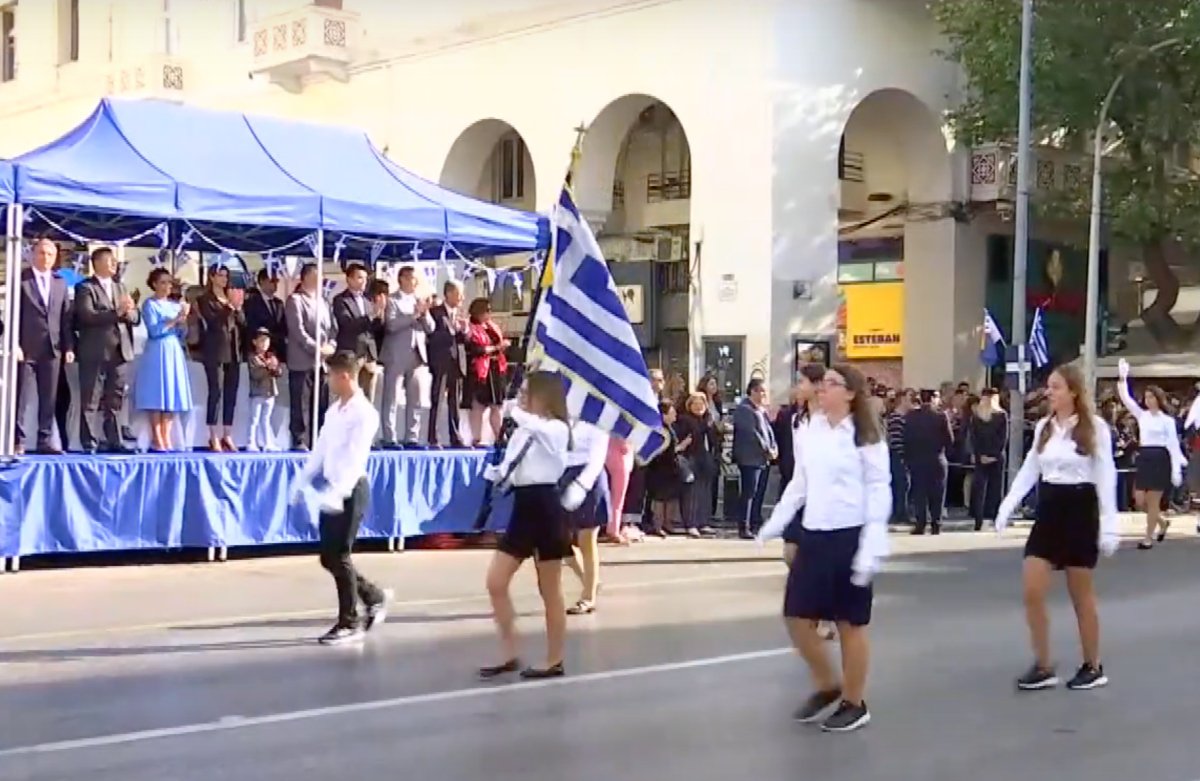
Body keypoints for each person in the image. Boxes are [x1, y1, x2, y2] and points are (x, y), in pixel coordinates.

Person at [756, 364, 891, 733]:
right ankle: (828, 683)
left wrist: (872, 544)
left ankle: (854, 701)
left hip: (849, 534)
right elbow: (800, 483)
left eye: (831, 384)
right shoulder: (812, 428)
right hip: (814, 533)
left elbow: (880, 487)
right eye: (823, 383)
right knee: (796, 615)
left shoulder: (864, 434)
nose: (822, 389)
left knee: (850, 623)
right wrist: (775, 523)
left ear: (849, 393)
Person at [994, 364, 1118, 692]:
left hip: (1080, 508)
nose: (1049, 392)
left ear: (1073, 391)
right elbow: (1030, 468)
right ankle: (1044, 664)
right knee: (1032, 589)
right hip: (1049, 509)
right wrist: (1008, 505)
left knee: (1081, 595)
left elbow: (1106, 475)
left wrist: (1109, 523)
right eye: (1049, 387)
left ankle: (1092, 664)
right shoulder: (1045, 428)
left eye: (1056, 387)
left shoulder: (1095, 428)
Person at [288, 351, 390, 646]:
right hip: (331, 487)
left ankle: (350, 620)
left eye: (331, 375)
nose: (328, 380)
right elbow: (320, 449)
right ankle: (374, 596)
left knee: (340, 555)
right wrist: (302, 479)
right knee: (328, 556)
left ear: (344, 376)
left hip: (351, 489)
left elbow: (356, 458)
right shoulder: (334, 411)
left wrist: (340, 492)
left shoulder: (364, 414)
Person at [479, 371, 572, 680]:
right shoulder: (524, 429)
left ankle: (554, 657)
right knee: (496, 581)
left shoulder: (556, 429)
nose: (520, 394)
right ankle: (509, 650)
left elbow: (541, 434)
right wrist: (496, 474)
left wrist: (514, 412)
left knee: (550, 589)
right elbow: (513, 466)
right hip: (523, 506)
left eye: (526, 390)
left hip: (546, 506)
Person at [759, 364, 836, 641]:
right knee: (791, 554)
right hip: (801, 492)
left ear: (817, 386)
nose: (797, 386)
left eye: (802, 381)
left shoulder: (834, 419)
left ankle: (826, 614)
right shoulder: (797, 419)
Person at [75, 247, 139, 454]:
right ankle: (89, 442)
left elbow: (135, 318)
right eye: (110, 261)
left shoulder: (121, 287)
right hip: (95, 350)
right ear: (98, 263)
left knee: (115, 399)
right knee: (91, 399)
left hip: (120, 351)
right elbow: (87, 316)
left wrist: (129, 312)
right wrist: (116, 312)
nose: (115, 264)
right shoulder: (85, 287)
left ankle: (115, 440)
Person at [1115, 358, 1184, 549]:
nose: (1148, 401)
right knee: (1139, 500)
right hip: (1145, 456)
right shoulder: (1142, 415)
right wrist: (1123, 378)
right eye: (1146, 397)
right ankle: (1161, 522)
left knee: (1153, 501)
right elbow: (1126, 400)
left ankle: (1148, 537)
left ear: (1158, 399)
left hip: (1160, 458)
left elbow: (1173, 444)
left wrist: (1176, 469)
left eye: (1152, 397)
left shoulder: (1167, 421)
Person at [15, 236, 74, 454]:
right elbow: (14, 313)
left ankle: (45, 440)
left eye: (50, 254)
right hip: (26, 347)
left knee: (49, 398)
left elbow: (65, 318)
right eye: (42, 253)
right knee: (22, 397)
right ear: (33, 254)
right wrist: (14, 343)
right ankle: (17, 439)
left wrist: (68, 347)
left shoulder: (59, 282)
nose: (46, 258)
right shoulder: (21, 280)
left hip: (53, 348)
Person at [134, 269, 194, 452]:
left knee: (171, 394)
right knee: (157, 393)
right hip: (157, 349)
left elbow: (182, 334)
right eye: (163, 282)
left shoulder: (175, 305)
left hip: (173, 348)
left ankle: (166, 436)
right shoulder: (149, 304)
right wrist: (175, 320)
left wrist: (184, 321)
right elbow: (154, 330)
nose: (167, 286)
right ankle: (157, 437)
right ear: (154, 284)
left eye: (169, 283)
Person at [562, 415, 611, 615]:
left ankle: (588, 597)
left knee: (586, 540)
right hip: (565, 474)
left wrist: (581, 486)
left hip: (588, 479)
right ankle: (589, 580)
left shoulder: (598, 421)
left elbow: (597, 459)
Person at [378, 266, 432, 448]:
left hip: (417, 354)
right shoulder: (392, 300)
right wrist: (413, 315)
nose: (414, 282)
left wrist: (424, 314)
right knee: (391, 397)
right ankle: (389, 436)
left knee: (415, 398)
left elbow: (431, 328)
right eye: (411, 278)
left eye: (416, 279)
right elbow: (391, 325)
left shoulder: (419, 300)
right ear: (402, 279)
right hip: (396, 354)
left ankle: (412, 436)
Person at [195, 264, 246, 452]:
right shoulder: (205, 299)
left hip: (234, 350)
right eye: (220, 275)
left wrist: (238, 308)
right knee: (215, 392)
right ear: (211, 277)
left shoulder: (231, 296)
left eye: (226, 276)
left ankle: (228, 433)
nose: (224, 279)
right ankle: (213, 435)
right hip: (215, 351)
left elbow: (242, 323)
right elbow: (213, 322)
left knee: (231, 393)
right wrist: (228, 307)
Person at [285, 264, 335, 451]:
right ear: (305, 277)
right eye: (315, 275)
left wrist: (331, 346)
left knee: (321, 402)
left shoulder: (323, 302)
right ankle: (300, 439)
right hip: (302, 360)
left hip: (321, 363)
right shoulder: (295, 300)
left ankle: (318, 440)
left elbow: (332, 329)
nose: (319, 280)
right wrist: (316, 348)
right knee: (301, 402)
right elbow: (298, 331)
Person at [731, 378, 778, 539]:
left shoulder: (761, 410)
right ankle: (744, 526)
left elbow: (768, 431)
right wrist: (767, 449)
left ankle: (755, 522)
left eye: (765, 391)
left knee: (759, 492)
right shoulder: (744, 409)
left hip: (763, 458)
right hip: (750, 457)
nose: (764, 394)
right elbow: (752, 433)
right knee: (749, 492)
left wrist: (774, 447)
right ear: (752, 391)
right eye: (761, 390)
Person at [426, 281, 469, 447]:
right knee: (437, 399)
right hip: (441, 360)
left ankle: (455, 436)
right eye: (459, 294)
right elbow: (433, 336)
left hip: (457, 362)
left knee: (454, 401)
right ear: (449, 293)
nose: (462, 298)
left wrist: (464, 330)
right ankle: (433, 436)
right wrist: (452, 330)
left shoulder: (460, 314)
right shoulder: (436, 312)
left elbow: (464, 340)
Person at [904, 390, 952, 535]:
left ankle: (920, 523)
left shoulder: (911, 416)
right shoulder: (940, 416)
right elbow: (950, 439)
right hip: (937, 458)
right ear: (932, 399)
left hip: (917, 460)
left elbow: (906, 439)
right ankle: (936, 524)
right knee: (938, 493)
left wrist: (909, 458)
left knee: (919, 493)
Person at [463, 297, 509, 445]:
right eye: (486, 310)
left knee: (496, 405)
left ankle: (499, 437)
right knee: (478, 406)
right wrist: (496, 348)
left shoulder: (491, 326)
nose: (489, 313)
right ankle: (476, 438)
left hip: (495, 370)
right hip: (480, 371)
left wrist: (502, 346)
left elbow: (498, 343)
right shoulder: (470, 327)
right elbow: (475, 349)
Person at [331, 263, 382, 397]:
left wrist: (380, 316)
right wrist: (371, 316)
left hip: (368, 353)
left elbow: (373, 328)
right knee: (349, 393)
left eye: (365, 278)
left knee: (368, 394)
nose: (364, 281)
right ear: (349, 279)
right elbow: (347, 324)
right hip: (352, 351)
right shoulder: (341, 300)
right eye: (360, 278)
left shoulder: (367, 299)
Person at [676, 392, 718, 538]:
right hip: (691, 457)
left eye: (702, 404)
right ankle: (691, 523)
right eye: (696, 404)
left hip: (705, 458)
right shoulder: (685, 420)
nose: (699, 407)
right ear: (690, 406)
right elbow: (683, 438)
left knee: (705, 492)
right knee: (691, 493)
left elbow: (714, 439)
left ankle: (703, 521)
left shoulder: (708, 420)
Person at [969, 388, 1008, 531]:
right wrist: (981, 455)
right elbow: (973, 438)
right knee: (980, 489)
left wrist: (990, 455)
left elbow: (1003, 438)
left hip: (994, 457)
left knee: (995, 489)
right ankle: (979, 519)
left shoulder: (1001, 415)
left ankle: (994, 518)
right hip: (985, 457)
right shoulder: (976, 416)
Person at [246, 328, 283, 452]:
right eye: (261, 341)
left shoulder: (271, 356)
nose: (264, 344)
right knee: (254, 419)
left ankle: (267, 443)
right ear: (254, 342)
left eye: (267, 341)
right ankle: (251, 442)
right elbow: (255, 374)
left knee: (266, 419)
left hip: (270, 392)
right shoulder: (253, 357)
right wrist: (268, 367)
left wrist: (276, 368)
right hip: (257, 393)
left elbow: (279, 373)